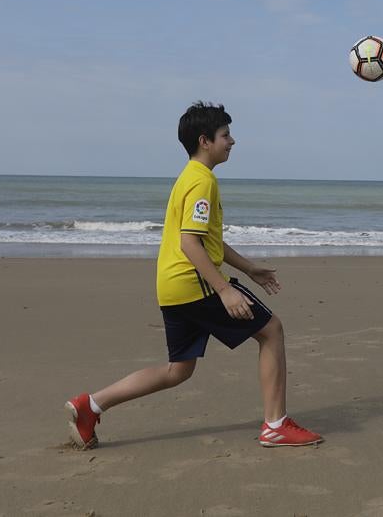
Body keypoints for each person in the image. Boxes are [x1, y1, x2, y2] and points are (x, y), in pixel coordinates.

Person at [64, 101, 323, 450]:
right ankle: (276, 425)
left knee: (178, 370)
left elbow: (206, 240)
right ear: (205, 141)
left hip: (172, 286)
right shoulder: (203, 182)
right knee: (271, 330)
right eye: (225, 135)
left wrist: (248, 268)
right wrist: (224, 290)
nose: (232, 142)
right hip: (194, 282)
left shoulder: (189, 177)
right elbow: (190, 244)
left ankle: (90, 406)